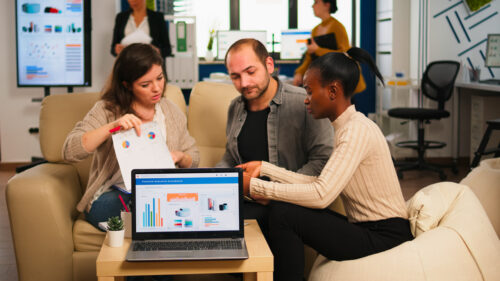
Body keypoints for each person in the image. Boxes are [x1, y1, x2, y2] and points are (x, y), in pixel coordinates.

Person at [239, 48, 413, 281]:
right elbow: (321, 183)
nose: (306, 99)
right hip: (368, 228)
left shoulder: (355, 131)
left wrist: (256, 187)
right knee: (286, 210)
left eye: (310, 91)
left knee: (283, 214)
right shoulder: (348, 127)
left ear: (333, 91)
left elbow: (321, 195)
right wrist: (265, 168)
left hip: (385, 236)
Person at [63, 43, 199, 230]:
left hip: (162, 193)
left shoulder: (170, 111)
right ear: (127, 85)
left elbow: (195, 158)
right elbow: (70, 151)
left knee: (176, 201)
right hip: (115, 196)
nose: (157, 88)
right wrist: (112, 127)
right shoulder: (107, 110)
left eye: (160, 78)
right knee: (145, 206)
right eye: (145, 84)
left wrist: (181, 157)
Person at [216, 38, 334, 236]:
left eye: (251, 72)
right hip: (246, 200)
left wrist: (271, 191)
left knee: (277, 217)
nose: (244, 83)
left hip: (288, 205)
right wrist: (211, 180)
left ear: (269, 65)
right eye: (235, 76)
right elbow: (231, 157)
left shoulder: (305, 103)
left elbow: (323, 161)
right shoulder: (235, 107)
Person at [293, 0, 365, 94]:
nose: (313, 6)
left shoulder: (337, 27)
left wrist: (318, 50)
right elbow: (309, 57)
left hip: (341, 80)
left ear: (327, 5)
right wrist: (299, 72)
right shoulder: (315, 30)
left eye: (316, 2)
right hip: (325, 79)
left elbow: (345, 55)